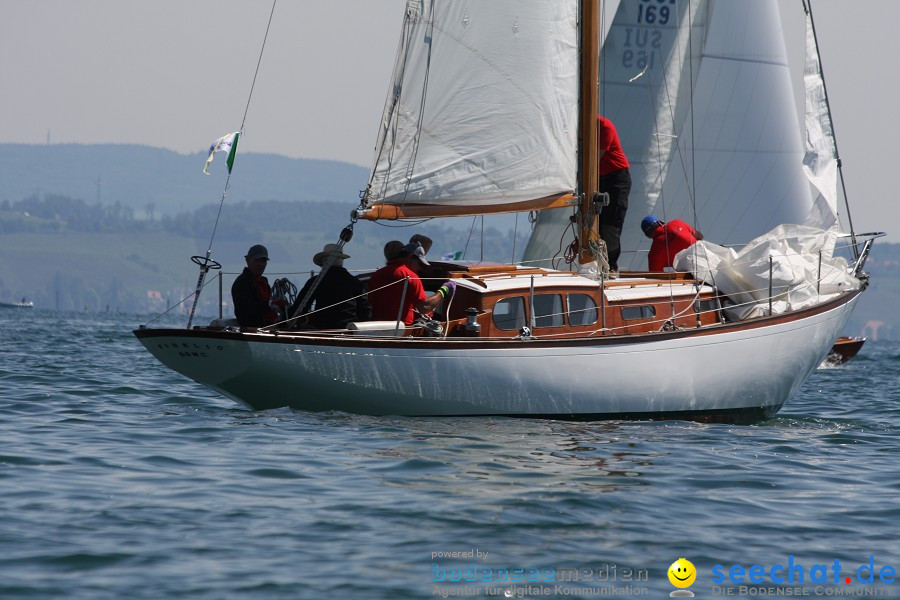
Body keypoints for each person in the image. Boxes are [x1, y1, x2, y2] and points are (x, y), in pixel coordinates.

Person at [368, 242, 455, 325]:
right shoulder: (410, 277)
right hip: (403, 332)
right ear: (410, 257)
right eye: (419, 263)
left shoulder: (376, 275)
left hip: (375, 328)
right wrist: (445, 290)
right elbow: (424, 307)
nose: (420, 268)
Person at [289, 243, 372, 329]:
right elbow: (365, 311)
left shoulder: (315, 282)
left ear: (324, 262)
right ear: (341, 261)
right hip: (348, 331)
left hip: (322, 330)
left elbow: (299, 308)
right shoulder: (355, 282)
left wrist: (280, 322)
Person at [597, 115, 631, 275]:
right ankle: (595, 262)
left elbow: (595, 157)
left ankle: (611, 266)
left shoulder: (604, 126)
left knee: (611, 223)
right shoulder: (578, 125)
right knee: (595, 221)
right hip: (597, 177)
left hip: (616, 178)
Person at [231, 244, 283, 327]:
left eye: (263, 261)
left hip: (268, 326)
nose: (261, 264)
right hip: (253, 328)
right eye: (257, 260)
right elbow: (245, 309)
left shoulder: (264, 282)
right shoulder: (242, 282)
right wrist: (270, 304)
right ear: (247, 260)